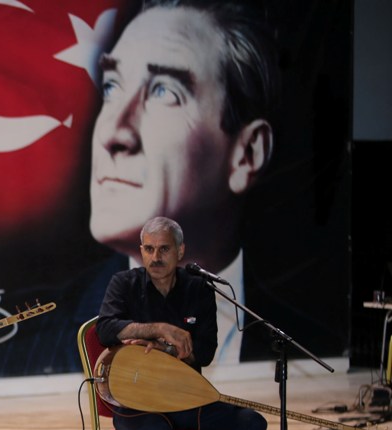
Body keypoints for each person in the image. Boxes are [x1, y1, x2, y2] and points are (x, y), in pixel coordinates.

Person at [88, 0, 278, 364]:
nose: (113, 133)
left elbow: (203, 353)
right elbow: (107, 329)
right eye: (112, 86)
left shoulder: (287, 325)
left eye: (164, 92)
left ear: (247, 153)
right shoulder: (37, 341)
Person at [97, 217, 269, 430]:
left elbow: (204, 351)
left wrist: (163, 349)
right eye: (149, 249)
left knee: (251, 423)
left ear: (180, 251)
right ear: (141, 251)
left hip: (185, 398)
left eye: (164, 249)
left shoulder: (198, 288)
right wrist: (159, 329)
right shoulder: (124, 283)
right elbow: (105, 329)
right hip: (137, 404)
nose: (155, 257)